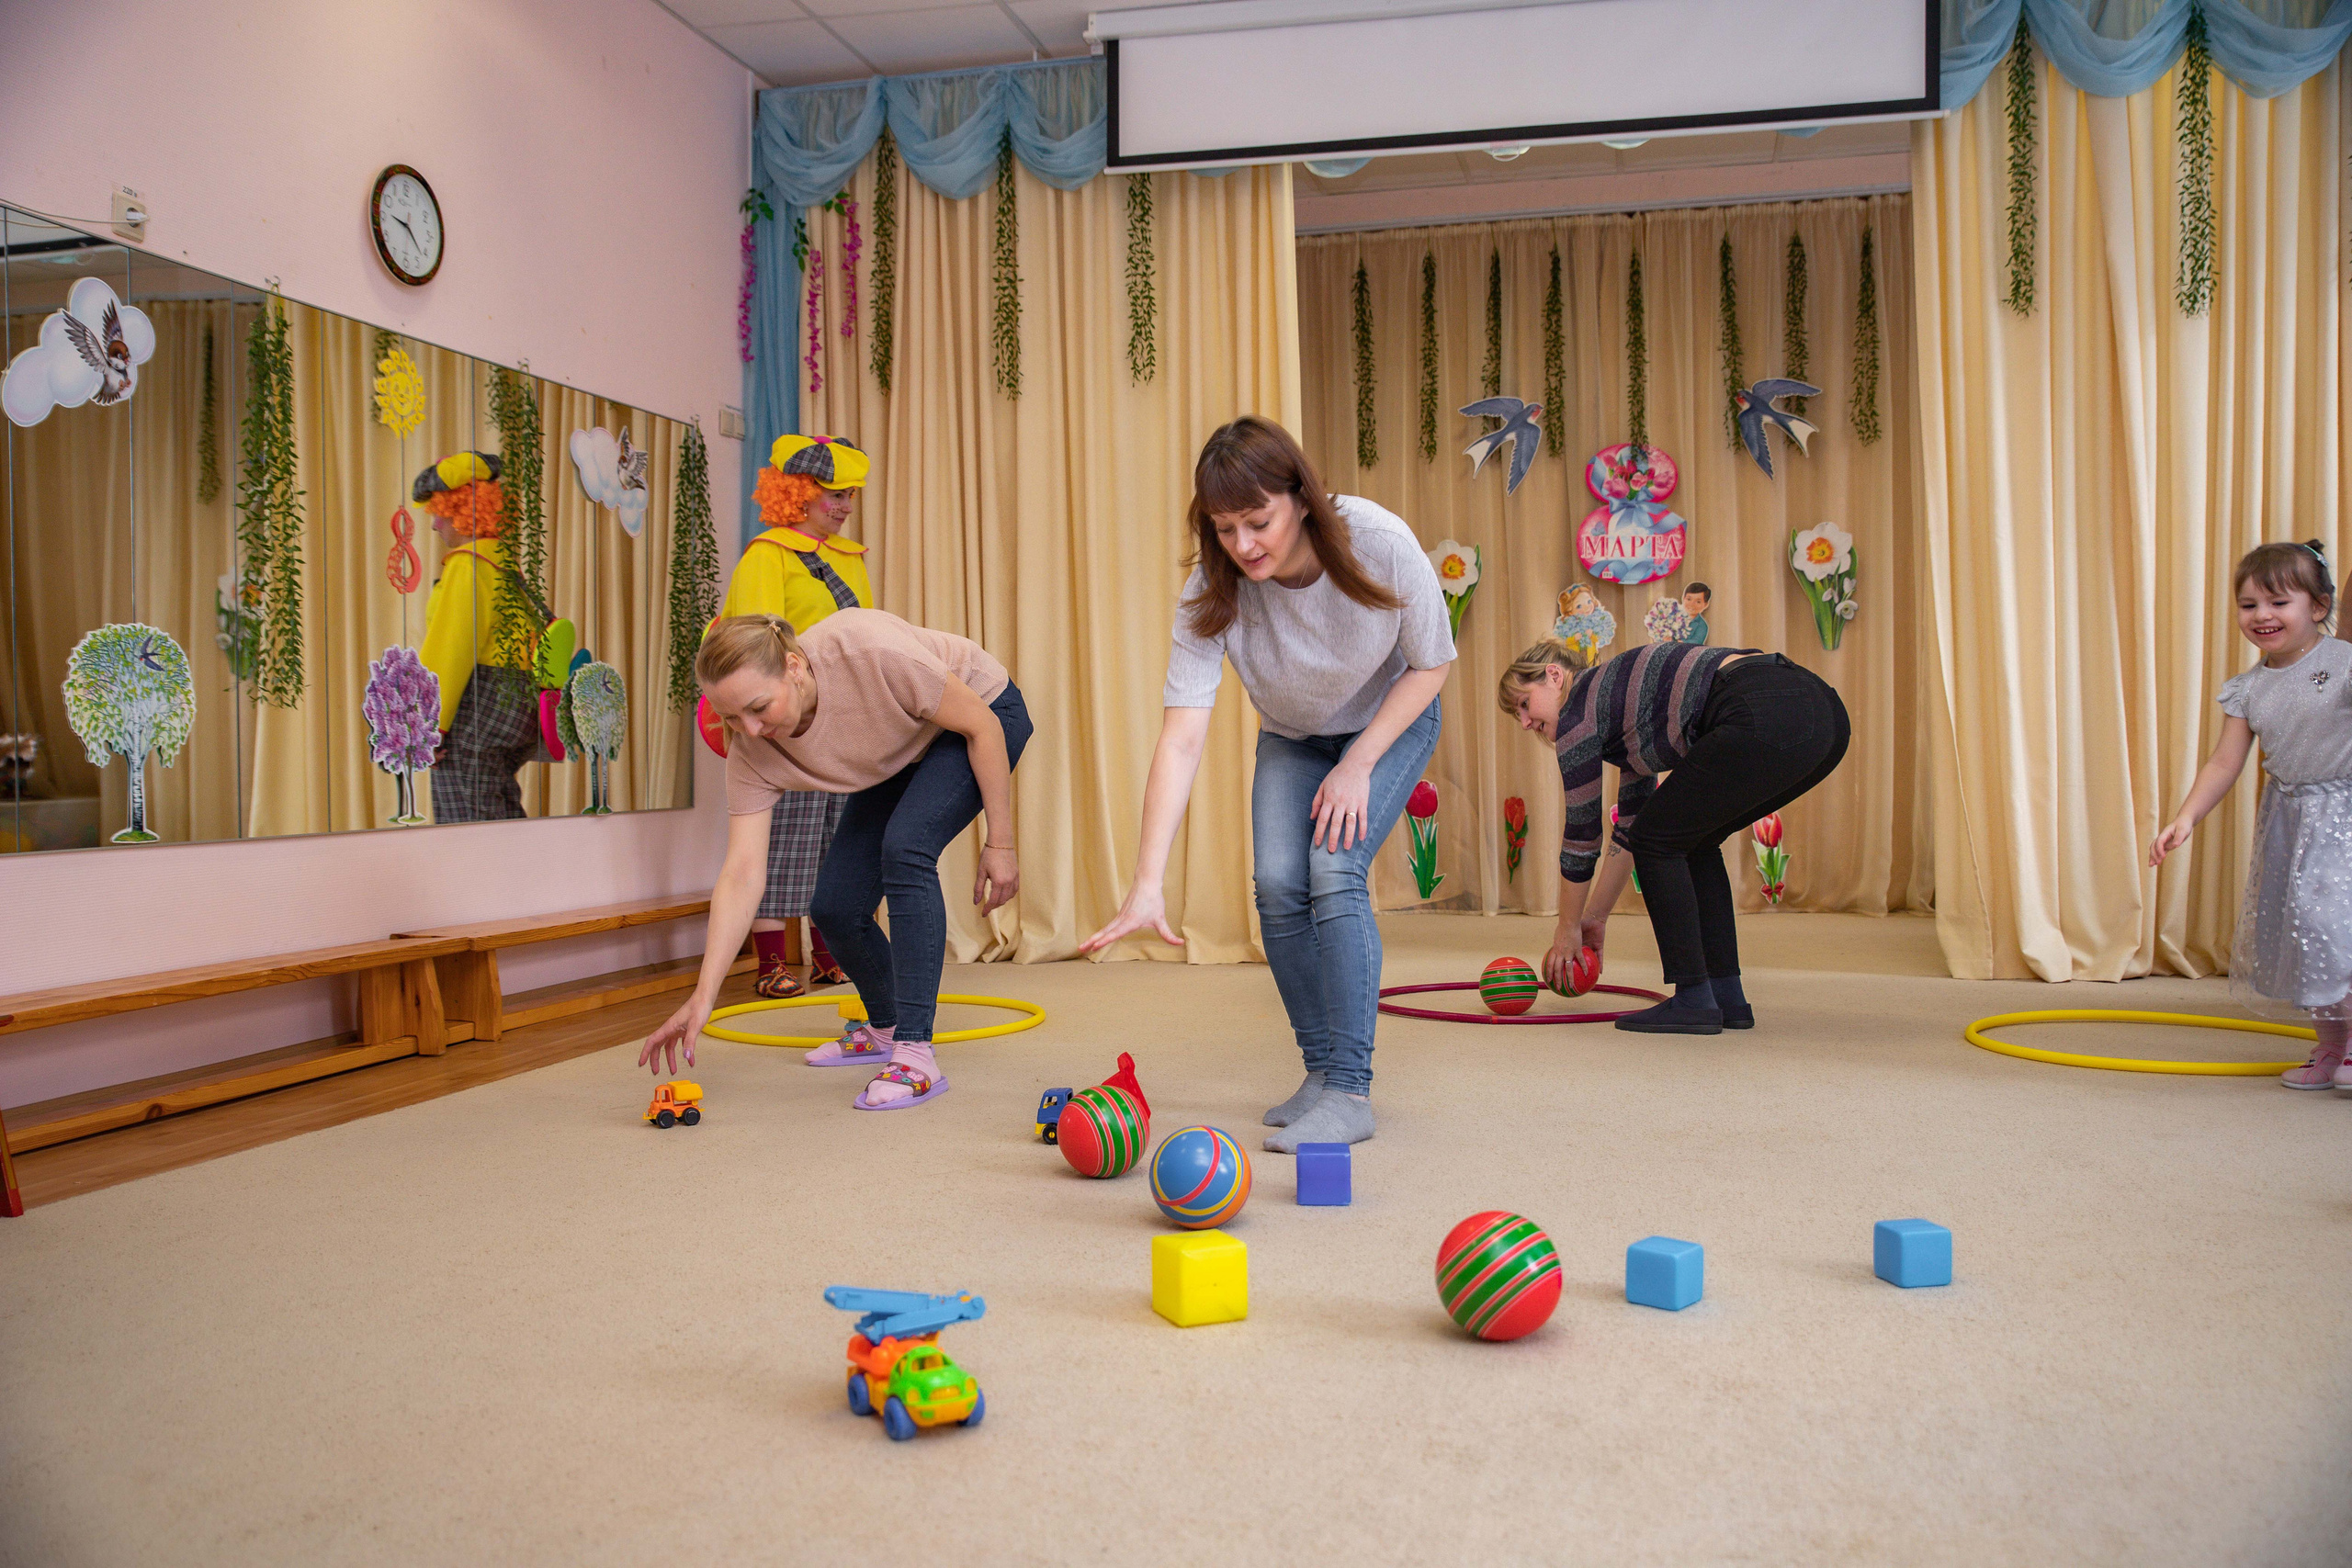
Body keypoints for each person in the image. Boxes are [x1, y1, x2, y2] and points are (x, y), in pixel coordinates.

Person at [1080, 416, 1454, 1153]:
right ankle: (1320, 1073)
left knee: (1332, 869)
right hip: (1292, 735)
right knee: (1278, 884)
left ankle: (1351, 1088)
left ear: (1302, 499)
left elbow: (1431, 663)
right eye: (1224, 529)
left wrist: (1360, 762)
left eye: (1259, 521)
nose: (1244, 545)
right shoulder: (1212, 590)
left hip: (1391, 720)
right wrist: (1146, 882)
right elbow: (1182, 736)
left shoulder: (1376, 540)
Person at [641, 609, 1030, 1111]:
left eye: (759, 707)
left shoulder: (867, 652)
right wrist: (703, 994)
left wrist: (1000, 844)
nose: (751, 730)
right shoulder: (751, 752)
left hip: (983, 716)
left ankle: (915, 1054)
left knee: (906, 849)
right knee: (834, 907)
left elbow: (981, 726)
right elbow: (741, 873)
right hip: (901, 748)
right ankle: (886, 1028)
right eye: (731, 717)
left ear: (795, 666)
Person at [1499, 636, 1849, 1035]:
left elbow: (1583, 837)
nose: (1525, 723)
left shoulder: (1579, 714)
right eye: (1517, 716)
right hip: (1825, 718)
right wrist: (1595, 919)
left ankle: (1694, 999)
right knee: (1689, 840)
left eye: (1524, 704)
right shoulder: (1619, 712)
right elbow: (1631, 827)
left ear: (1554, 676)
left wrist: (1567, 930)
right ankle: (1724, 996)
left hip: (1765, 706)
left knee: (1662, 839)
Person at [2152, 540, 2352, 1089]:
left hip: (2344, 815)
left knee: (2332, 927)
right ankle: (2332, 1047)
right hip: (2290, 819)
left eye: (2279, 602)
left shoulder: (2345, 662)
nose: (2262, 615)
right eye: (2248, 605)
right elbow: (2224, 761)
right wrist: (2186, 816)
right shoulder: (2249, 688)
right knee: (2305, 936)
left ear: (2318, 606)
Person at [718, 433, 875, 999]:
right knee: (786, 838)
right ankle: (771, 964)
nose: (844, 506)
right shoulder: (768, 556)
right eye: (832, 494)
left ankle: (828, 954)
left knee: (838, 836)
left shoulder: (848, 558)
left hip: (839, 716)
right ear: (797, 492)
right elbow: (754, 645)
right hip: (782, 720)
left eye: (849, 494)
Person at [415, 451, 538, 823]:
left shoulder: (468, 565)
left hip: (476, 710)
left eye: (440, 512)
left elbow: (449, 652)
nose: (435, 525)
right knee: (501, 822)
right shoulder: (504, 564)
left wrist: (426, 727)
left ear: (461, 510)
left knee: (466, 837)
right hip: (514, 708)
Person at [1679, 581, 1712, 645]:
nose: (1692, 604)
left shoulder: (1701, 625)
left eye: (1698, 602)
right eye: (1689, 599)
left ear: (1705, 605)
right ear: (1683, 599)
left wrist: (1679, 642)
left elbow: (1697, 642)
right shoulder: (1674, 616)